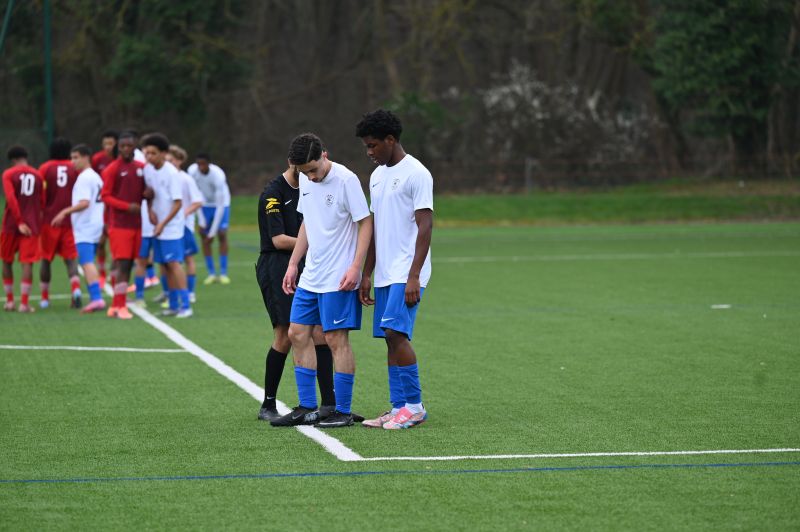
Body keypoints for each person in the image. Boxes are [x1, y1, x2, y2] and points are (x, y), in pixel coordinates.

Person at [271, 133, 372, 429]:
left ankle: (342, 410)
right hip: (311, 276)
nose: (311, 177)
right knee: (297, 333)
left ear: (324, 155)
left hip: (338, 277)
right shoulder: (306, 179)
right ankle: (307, 407)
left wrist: (356, 267)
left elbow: (366, 223)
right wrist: (293, 264)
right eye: (305, 172)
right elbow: (307, 223)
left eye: (314, 169)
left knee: (336, 339)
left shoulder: (347, 180)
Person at [356, 109, 433, 430]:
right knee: (389, 338)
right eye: (366, 146)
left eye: (373, 145)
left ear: (390, 140)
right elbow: (375, 228)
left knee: (395, 333)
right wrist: (367, 273)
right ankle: (398, 406)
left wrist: (414, 275)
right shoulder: (376, 176)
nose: (369, 152)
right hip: (386, 272)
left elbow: (425, 225)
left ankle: (414, 407)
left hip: (407, 272)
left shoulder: (417, 173)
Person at [256, 163, 337, 422]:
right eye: (305, 168)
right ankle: (268, 404)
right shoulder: (273, 193)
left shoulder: (311, 187)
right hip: (277, 265)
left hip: (307, 264)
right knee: (286, 334)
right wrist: (321, 241)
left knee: (320, 332)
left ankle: (329, 404)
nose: (310, 173)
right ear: (293, 163)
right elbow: (278, 240)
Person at [142, 133, 191, 318]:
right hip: (157, 226)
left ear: (163, 153)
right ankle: (173, 304)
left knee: (173, 264)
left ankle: (186, 305)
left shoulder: (171, 173)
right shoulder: (148, 170)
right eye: (147, 153)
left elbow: (178, 203)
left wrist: (163, 223)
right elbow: (149, 194)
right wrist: (150, 211)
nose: (149, 156)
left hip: (171, 227)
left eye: (153, 153)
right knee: (164, 265)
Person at [52, 144, 106, 313]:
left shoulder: (84, 178)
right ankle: (95, 297)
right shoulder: (96, 177)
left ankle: (97, 298)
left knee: (86, 262)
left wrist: (64, 212)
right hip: (96, 224)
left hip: (86, 226)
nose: (72, 161)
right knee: (89, 261)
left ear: (86, 157)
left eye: (76, 157)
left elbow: (84, 203)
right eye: (71, 158)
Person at [101, 131, 148, 319]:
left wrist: (148, 194)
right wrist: (127, 206)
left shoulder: (141, 168)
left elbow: (143, 192)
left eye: (129, 145)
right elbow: (105, 196)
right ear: (118, 148)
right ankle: (120, 306)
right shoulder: (112, 169)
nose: (126, 149)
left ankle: (116, 305)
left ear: (135, 147)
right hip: (120, 225)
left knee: (129, 265)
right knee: (123, 264)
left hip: (137, 224)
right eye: (122, 146)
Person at [38, 137, 82, 309]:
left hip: (49, 221)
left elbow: (40, 193)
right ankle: (76, 291)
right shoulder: (74, 168)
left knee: (45, 259)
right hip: (69, 220)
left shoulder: (45, 168)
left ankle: (44, 299)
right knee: (70, 259)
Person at [1, 145, 44, 313]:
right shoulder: (38, 175)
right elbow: (42, 201)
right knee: (27, 263)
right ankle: (24, 304)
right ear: (26, 157)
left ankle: (10, 302)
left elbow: (11, 199)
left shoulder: (8, 174)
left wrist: (19, 221)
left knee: (7, 260)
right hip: (32, 225)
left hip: (11, 224)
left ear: (12, 160)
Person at [166, 145, 203, 304]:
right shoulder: (168, 177)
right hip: (170, 227)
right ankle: (170, 293)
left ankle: (190, 292)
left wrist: (183, 214)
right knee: (169, 262)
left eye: (172, 160)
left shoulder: (186, 179)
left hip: (184, 226)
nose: (169, 163)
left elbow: (198, 201)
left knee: (188, 259)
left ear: (180, 161)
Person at [187, 153, 231, 285]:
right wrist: (201, 220)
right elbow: (194, 196)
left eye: (203, 164)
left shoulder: (218, 175)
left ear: (209, 164)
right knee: (203, 235)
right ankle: (211, 273)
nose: (200, 167)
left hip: (221, 204)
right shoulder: (192, 172)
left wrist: (212, 233)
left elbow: (220, 206)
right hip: (204, 204)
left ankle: (223, 273)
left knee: (221, 234)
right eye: (198, 164)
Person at [91, 130, 118, 288]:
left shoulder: (120, 160)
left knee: (116, 246)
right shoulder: (97, 159)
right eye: (105, 144)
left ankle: (114, 278)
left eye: (111, 143)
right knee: (101, 242)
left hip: (116, 207)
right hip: (100, 206)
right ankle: (102, 274)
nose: (108, 147)